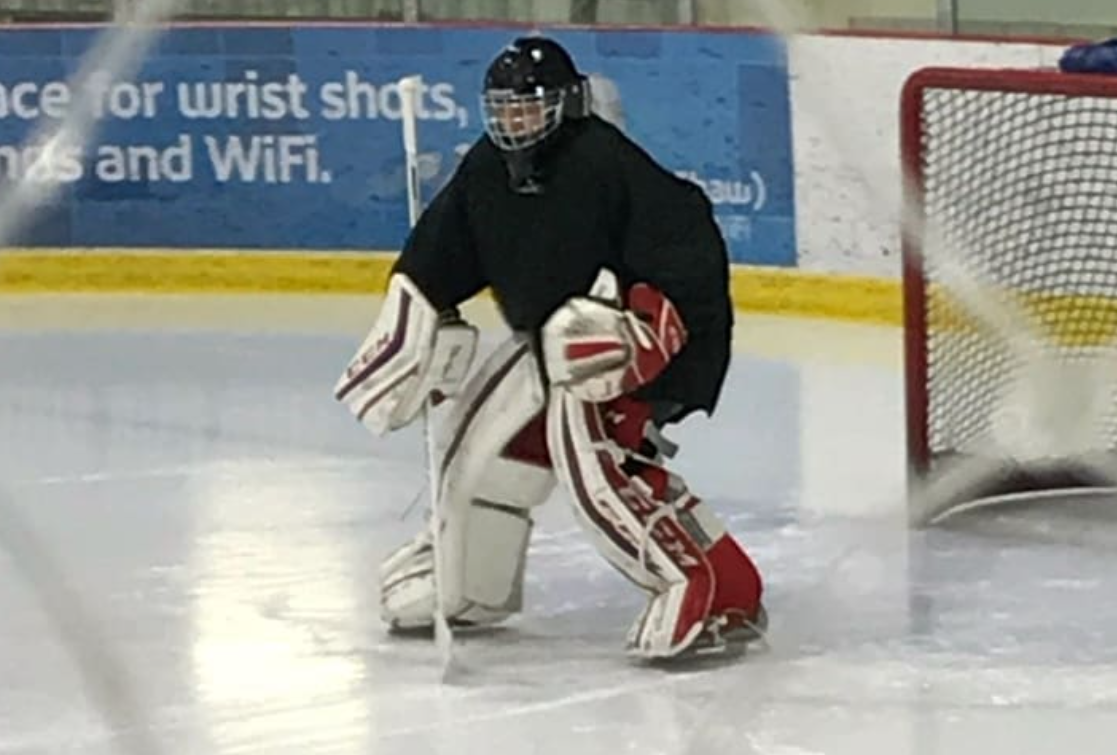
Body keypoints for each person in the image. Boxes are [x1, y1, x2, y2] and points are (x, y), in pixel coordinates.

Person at [334, 35, 765, 660]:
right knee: (474, 447)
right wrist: (419, 319)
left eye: (528, 108)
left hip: (618, 352)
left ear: (563, 106)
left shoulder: (603, 162)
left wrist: (644, 328)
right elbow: (443, 250)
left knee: (593, 461)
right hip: (548, 343)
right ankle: (467, 580)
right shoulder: (486, 169)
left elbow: (684, 242)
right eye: (504, 110)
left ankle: (716, 585)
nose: (514, 123)